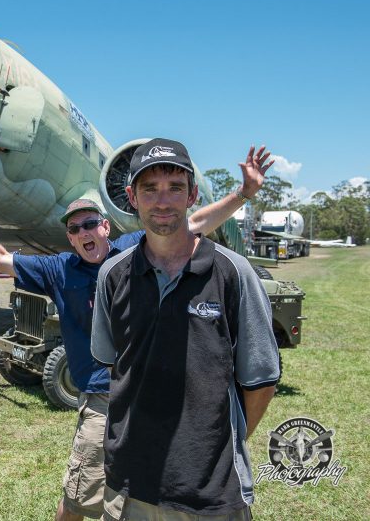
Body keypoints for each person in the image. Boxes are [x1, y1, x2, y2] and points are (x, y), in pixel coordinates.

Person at [0, 145, 271, 521]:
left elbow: (192, 223)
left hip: (154, 403)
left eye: (91, 223)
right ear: (70, 237)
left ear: (106, 226)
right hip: (102, 402)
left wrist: (243, 194)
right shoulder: (58, 270)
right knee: (78, 499)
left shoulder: (133, 250)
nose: (84, 232)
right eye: (75, 228)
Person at [91, 139, 279, 520]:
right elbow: (116, 365)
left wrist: (219, 445)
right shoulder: (112, 274)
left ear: (193, 194)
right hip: (132, 482)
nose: (163, 201)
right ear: (131, 196)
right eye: (150, 189)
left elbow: (260, 382)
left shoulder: (234, 272)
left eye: (175, 187)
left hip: (212, 490)